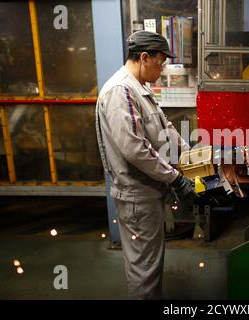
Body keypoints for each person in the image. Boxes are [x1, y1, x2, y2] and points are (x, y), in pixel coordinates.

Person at [95, 30, 197, 299]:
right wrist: (175, 178)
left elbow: (165, 130)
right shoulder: (121, 91)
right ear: (144, 57)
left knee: (149, 265)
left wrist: (193, 158)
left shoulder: (138, 90)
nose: (162, 69)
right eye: (160, 62)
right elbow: (135, 149)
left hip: (146, 195)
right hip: (137, 198)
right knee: (145, 270)